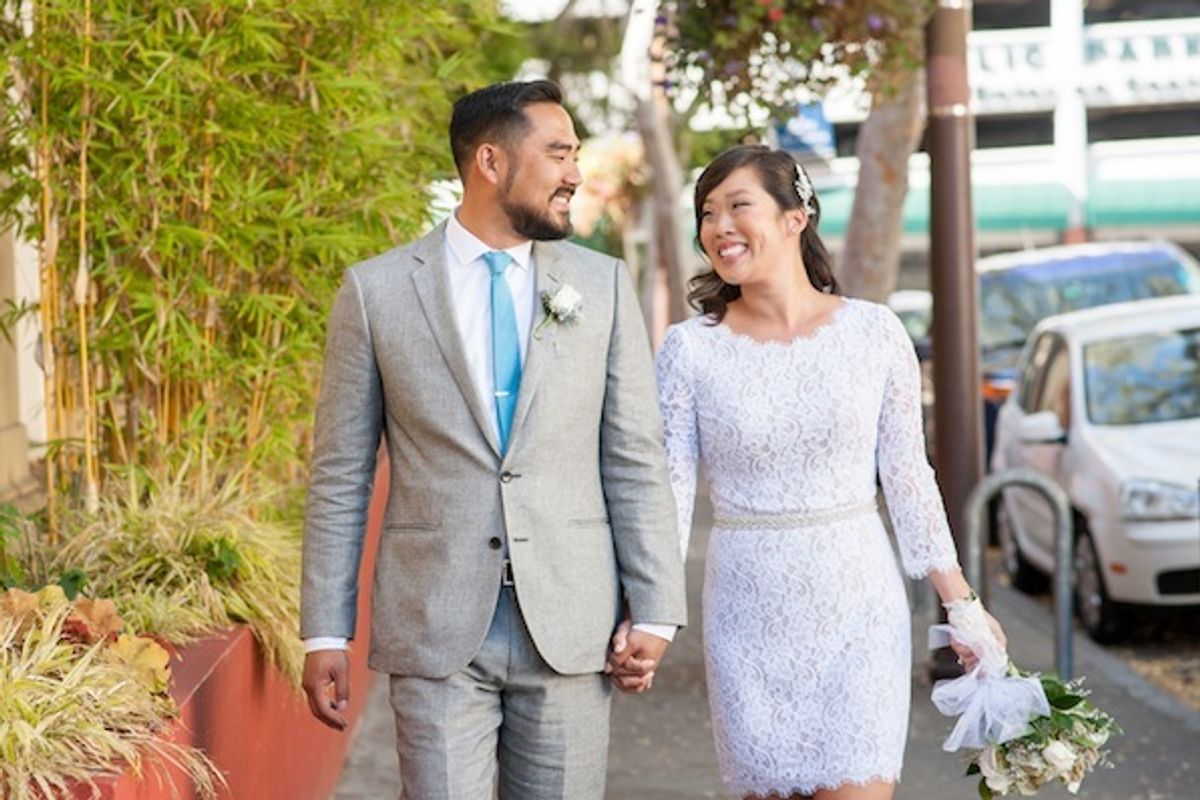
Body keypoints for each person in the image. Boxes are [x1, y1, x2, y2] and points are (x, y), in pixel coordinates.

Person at [299, 79, 687, 800]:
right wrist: (325, 631)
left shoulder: (602, 286)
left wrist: (657, 605)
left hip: (572, 621)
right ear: (490, 161)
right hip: (435, 626)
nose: (575, 174)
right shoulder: (376, 292)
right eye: (558, 154)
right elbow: (341, 473)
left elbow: (634, 457)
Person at [643, 145, 1006, 800]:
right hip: (746, 612)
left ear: (795, 217)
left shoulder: (874, 333)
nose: (719, 226)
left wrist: (962, 605)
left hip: (858, 607)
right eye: (707, 213)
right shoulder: (688, 349)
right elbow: (667, 490)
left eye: (738, 206)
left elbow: (908, 476)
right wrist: (652, 616)